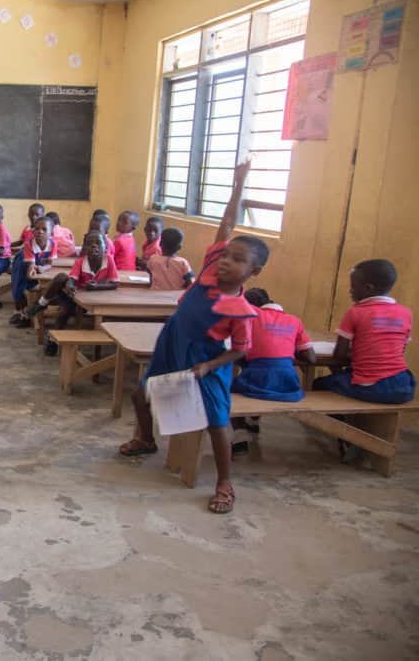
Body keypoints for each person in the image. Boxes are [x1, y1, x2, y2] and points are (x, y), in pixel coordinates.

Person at [119, 160, 264, 515]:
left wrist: (209, 366)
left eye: (238, 260)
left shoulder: (241, 308)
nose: (226, 261)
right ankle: (146, 439)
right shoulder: (211, 271)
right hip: (173, 341)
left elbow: (241, 350)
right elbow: (226, 226)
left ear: (254, 272)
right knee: (140, 394)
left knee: (217, 422)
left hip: (208, 358)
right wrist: (238, 183)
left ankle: (225, 483)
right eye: (226, 255)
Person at [314, 259, 415, 404]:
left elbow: (339, 355)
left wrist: (340, 366)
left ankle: (340, 422)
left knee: (320, 384)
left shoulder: (356, 312)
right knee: (348, 377)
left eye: (353, 287)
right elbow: (399, 349)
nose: (350, 291)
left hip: (371, 386)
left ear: (368, 288)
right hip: (403, 386)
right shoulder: (405, 313)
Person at [229, 288, 315, 454]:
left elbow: (239, 352)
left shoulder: (250, 317)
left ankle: (240, 436)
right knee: (260, 376)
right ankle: (253, 423)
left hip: (256, 380)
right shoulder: (294, 320)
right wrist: (285, 355)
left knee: (232, 390)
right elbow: (311, 359)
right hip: (288, 384)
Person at [24, 231, 118, 354]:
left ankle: (42, 306)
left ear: (106, 246)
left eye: (98, 243)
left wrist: (97, 286)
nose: (94, 246)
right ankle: (52, 338)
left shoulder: (109, 260)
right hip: (76, 298)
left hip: (96, 301)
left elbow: (114, 283)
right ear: (84, 248)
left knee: (64, 307)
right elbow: (72, 279)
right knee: (63, 288)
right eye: (89, 244)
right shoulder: (80, 261)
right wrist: (71, 286)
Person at [10, 216, 57, 326]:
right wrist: (33, 270)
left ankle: (25, 314)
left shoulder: (53, 244)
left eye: (44, 229)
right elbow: (30, 266)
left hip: (37, 265)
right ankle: (20, 313)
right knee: (18, 288)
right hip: (21, 264)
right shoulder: (28, 244)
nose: (40, 232)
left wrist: (42, 268)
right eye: (37, 228)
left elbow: (50, 264)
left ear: (51, 233)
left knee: (33, 286)